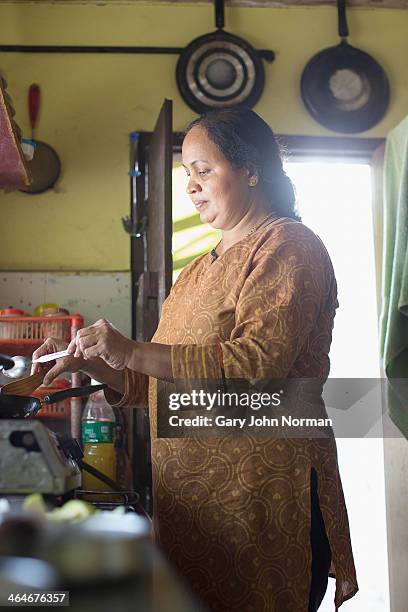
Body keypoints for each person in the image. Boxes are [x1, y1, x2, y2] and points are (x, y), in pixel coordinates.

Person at [33, 108, 358, 611]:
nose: (191, 187)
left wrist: (131, 348)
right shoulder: (194, 274)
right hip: (198, 513)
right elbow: (160, 386)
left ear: (251, 169)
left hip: (266, 503)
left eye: (204, 171)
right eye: (187, 174)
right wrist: (95, 365)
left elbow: (255, 368)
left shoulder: (288, 246)